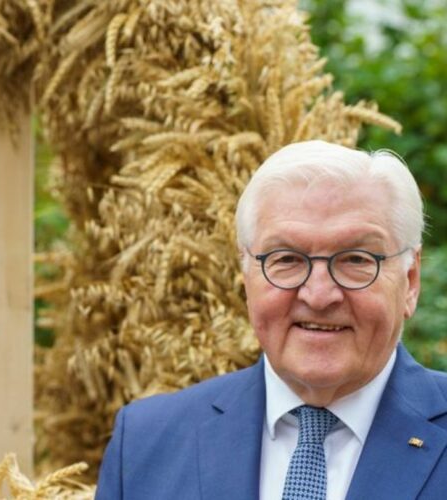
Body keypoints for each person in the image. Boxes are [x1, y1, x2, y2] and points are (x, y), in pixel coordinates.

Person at [95, 140, 447, 499]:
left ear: (410, 280)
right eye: (287, 259)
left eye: (356, 260)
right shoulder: (146, 444)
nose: (319, 295)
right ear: (245, 275)